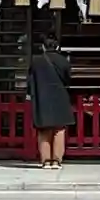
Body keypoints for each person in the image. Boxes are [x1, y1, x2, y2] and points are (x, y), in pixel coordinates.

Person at [27, 26, 75, 170]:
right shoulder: (63, 61)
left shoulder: (36, 61)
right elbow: (68, 80)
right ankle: (56, 161)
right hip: (60, 97)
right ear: (58, 47)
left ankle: (45, 161)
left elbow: (30, 80)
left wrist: (30, 95)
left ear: (43, 47)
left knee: (43, 130)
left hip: (41, 97)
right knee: (59, 129)